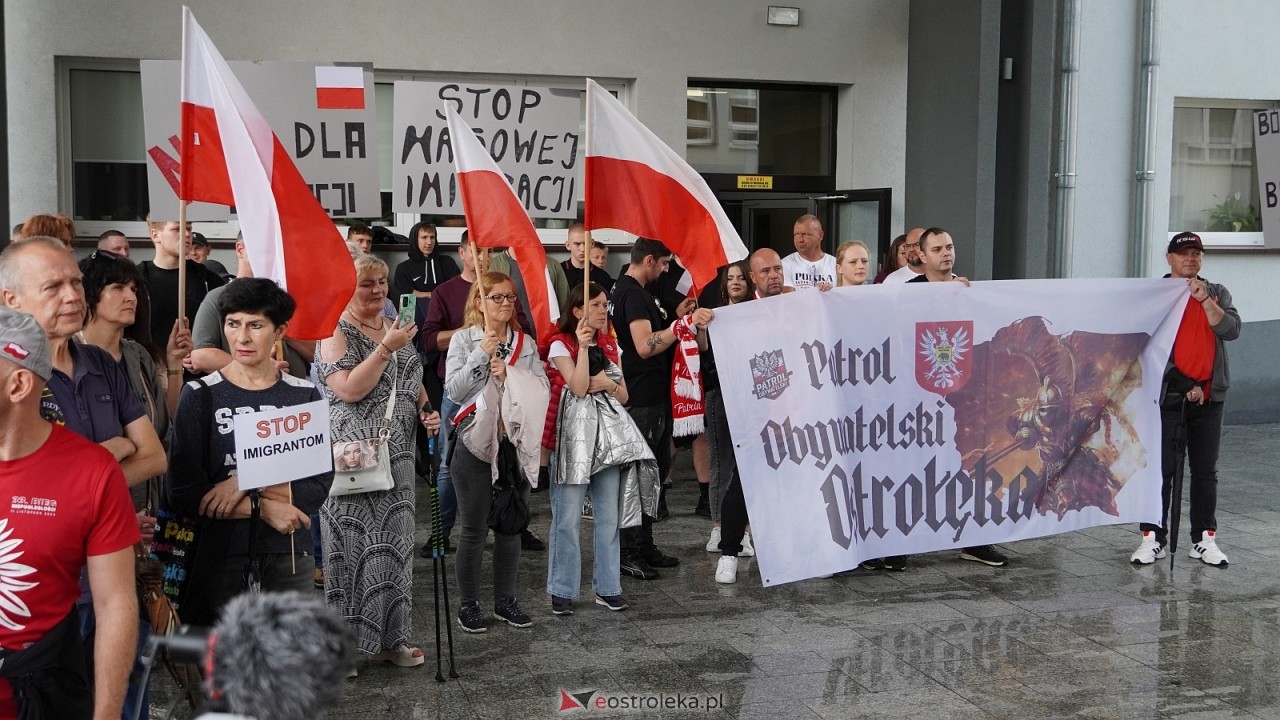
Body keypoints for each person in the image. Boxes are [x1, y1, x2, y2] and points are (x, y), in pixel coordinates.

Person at [0, 306, 140, 720]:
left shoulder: (91, 472)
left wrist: (106, 714)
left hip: (40, 695)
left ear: (18, 384)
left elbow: (115, 603)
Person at [167, 278, 330, 625]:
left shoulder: (302, 395)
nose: (242, 337)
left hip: (289, 550)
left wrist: (241, 482)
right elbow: (184, 492)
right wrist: (264, 507)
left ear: (279, 331)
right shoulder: (200, 395)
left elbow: (316, 486)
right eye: (233, 324)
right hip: (220, 552)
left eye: (255, 325)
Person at [316, 254, 439, 668]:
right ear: (346, 288)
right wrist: (386, 348)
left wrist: (426, 409)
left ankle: (392, 640)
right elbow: (349, 389)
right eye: (367, 283)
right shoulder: (335, 330)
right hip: (354, 456)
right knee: (352, 553)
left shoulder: (392, 324)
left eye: (383, 281)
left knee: (395, 552)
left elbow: (412, 376)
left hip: (397, 455)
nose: (378, 289)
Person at [545, 281, 656, 614]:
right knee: (567, 517)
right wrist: (582, 350)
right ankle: (562, 589)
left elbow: (623, 394)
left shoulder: (610, 343)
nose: (602, 311)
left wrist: (606, 383)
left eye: (605, 304)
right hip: (572, 441)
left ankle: (608, 587)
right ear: (577, 310)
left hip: (607, 442)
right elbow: (579, 387)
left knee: (608, 516)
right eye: (595, 305)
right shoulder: (560, 344)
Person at [446, 271, 548, 632]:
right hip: (475, 443)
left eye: (510, 297)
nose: (506, 303)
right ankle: (469, 604)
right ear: (479, 302)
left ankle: (506, 601)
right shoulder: (464, 339)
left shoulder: (526, 343)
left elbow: (542, 387)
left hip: (513, 445)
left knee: (510, 526)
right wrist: (481, 355)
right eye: (497, 297)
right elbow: (455, 392)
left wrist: (511, 376)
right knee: (474, 529)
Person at [1131, 232, 1241, 566]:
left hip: (1209, 397)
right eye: (1183, 253)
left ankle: (1204, 539)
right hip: (1168, 398)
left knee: (1205, 471)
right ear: (1170, 258)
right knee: (1160, 470)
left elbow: (1231, 330)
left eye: (1196, 253)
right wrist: (1183, 383)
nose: (1190, 259)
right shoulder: (1156, 296)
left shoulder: (1217, 292)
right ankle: (1153, 538)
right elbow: (1146, 345)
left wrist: (1205, 300)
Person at [421, 234, 534, 556]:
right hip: (464, 397)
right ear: (462, 253)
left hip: (504, 397)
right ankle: (442, 532)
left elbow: (523, 329)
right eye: (476, 251)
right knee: (451, 464)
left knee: (509, 458)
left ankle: (513, 519)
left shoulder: (506, 289)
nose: (482, 257)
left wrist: (506, 336)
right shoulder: (445, 292)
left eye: (487, 251)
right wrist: (475, 338)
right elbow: (429, 340)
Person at [609, 238, 713, 580]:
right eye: (665, 263)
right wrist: (679, 327)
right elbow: (643, 345)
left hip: (650, 393)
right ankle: (629, 551)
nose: (667, 269)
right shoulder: (633, 294)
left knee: (651, 474)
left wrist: (676, 318)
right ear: (650, 260)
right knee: (639, 476)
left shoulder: (633, 291)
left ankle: (644, 543)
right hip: (642, 396)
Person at [905, 227, 1006, 567]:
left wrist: (966, 299)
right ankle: (897, 543)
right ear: (922, 255)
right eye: (937, 249)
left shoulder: (968, 292)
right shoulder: (906, 294)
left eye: (949, 246)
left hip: (962, 399)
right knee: (913, 468)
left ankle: (975, 541)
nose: (946, 253)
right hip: (918, 399)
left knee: (970, 466)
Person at [188, 234, 313, 380]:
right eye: (264, 248)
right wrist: (260, 368)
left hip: (295, 389)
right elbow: (201, 356)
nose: (271, 255)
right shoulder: (218, 297)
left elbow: (317, 354)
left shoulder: (287, 299)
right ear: (240, 249)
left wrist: (285, 333)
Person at [703, 261, 755, 562]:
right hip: (720, 394)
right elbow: (702, 350)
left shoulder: (758, 313)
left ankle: (743, 530)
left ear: (749, 283)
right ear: (724, 285)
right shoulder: (713, 315)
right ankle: (718, 526)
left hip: (751, 396)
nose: (735, 282)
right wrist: (699, 325)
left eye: (740, 278)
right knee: (721, 462)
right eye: (730, 278)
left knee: (746, 466)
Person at [137, 216, 226, 365]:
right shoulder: (137, 280)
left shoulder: (207, 279)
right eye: (177, 229)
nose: (187, 234)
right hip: (153, 370)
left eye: (189, 228)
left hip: (198, 371)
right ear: (155, 235)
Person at [391, 222, 459, 301]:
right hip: (416, 307)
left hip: (443, 305)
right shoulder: (403, 268)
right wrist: (428, 295)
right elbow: (404, 294)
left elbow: (456, 287)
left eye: (432, 237)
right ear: (415, 240)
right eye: (424, 237)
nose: (429, 242)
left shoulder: (447, 262)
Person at [782, 214, 836, 291]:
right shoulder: (785, 264)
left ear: (820, 236)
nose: (800, 240)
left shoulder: (835, 264)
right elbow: (789, 297)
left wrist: (830, 291)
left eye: (805, 234)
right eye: (796, 235)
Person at [561, 224, 613, 293]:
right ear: (568, 245)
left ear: (592, 244)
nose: (582, 249)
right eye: (577, 244)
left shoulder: (602, 276)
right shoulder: (558, 272)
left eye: (585, 243)